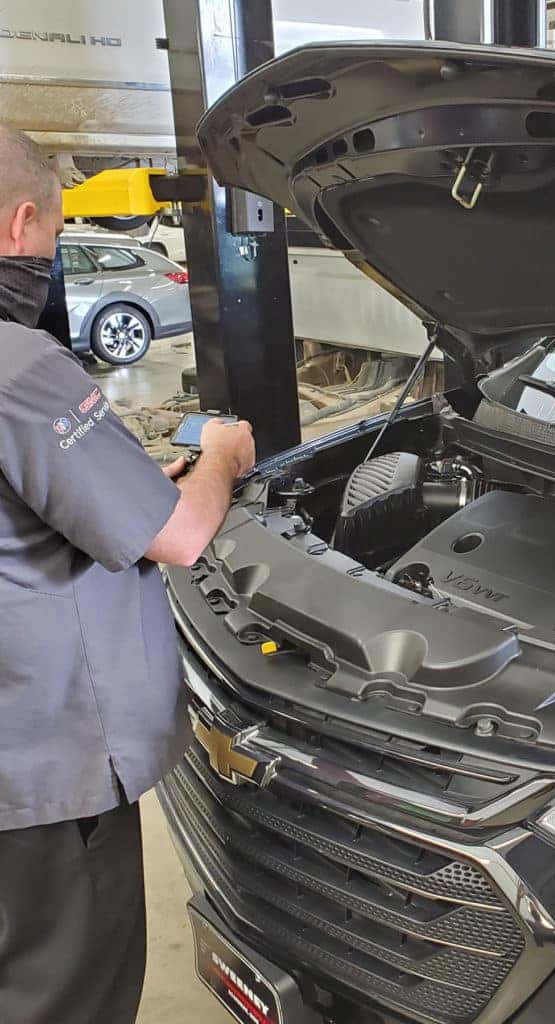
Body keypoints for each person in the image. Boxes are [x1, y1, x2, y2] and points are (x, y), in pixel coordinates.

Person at [0, 124, 256, 1022]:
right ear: (21, 222)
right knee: (67, 991)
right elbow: (182, 538)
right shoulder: (20, 366)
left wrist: (127, 485)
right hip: (39, 767)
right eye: (54, 234)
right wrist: (221, 455)